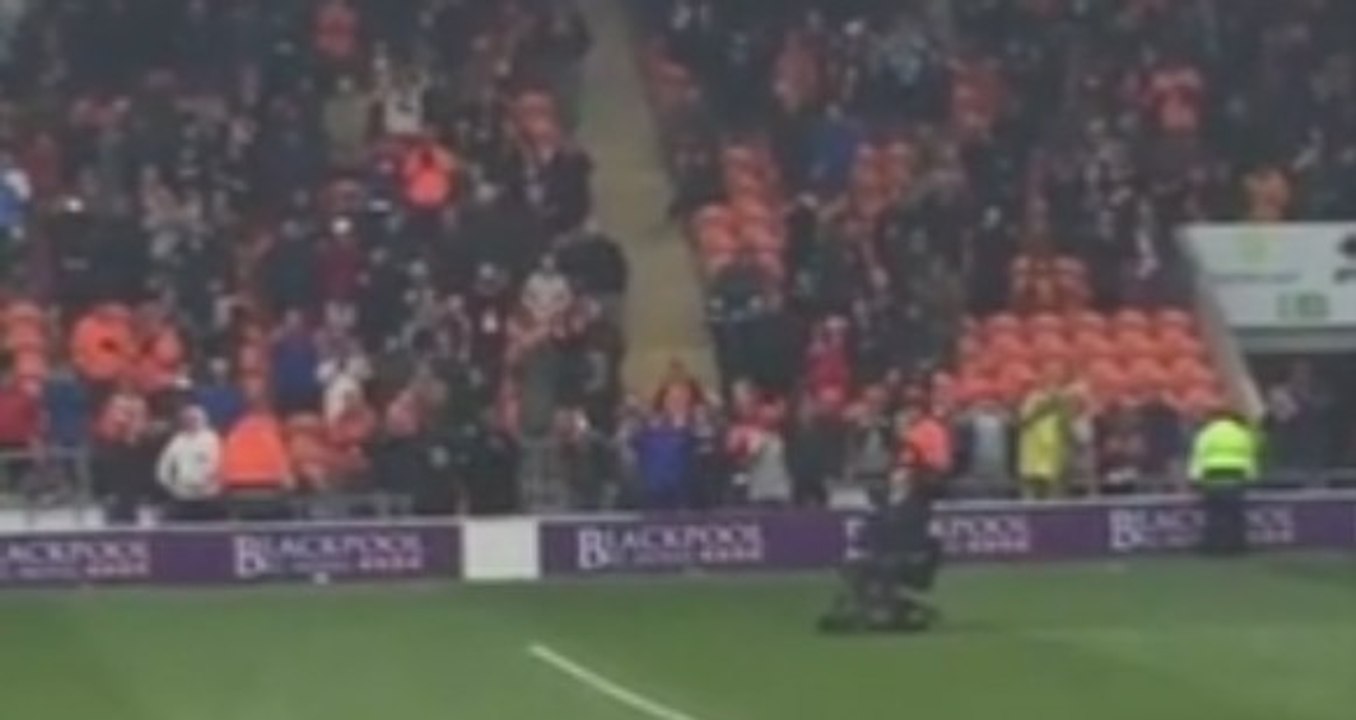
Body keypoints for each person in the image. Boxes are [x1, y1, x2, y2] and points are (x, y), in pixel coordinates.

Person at [1188, 409, 1260, 556]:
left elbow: (1198, 456)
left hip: (1213, 478)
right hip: (1236, 478)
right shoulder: (1242, 433)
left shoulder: (1207, 433)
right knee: (1235, 516)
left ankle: (1213, 548)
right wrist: (1252, 477)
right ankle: (1238, 547)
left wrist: (1194, 478)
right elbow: (1250, 456)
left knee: (1214, 515)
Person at [156, 407, 222, 521]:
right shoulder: (177, 441)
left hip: (207, 498)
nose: (189, 422)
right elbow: (164, 466)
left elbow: (216, 463)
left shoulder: (211, 439)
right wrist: (171, 486)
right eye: (186, 419)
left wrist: (203, 483)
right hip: (182, 497)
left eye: (193, 419)